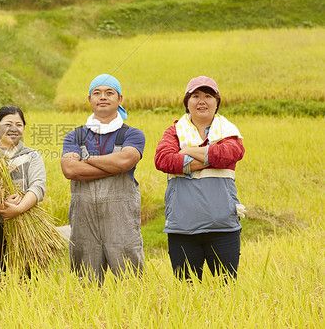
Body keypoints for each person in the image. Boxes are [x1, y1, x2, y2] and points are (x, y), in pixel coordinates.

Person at [154, 76, 245, 282]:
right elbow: (163, 160)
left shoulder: (229, 132)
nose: (202, 101)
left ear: (217, 102)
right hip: (182, 226)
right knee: (186, 293)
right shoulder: (174, 132)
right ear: (187, 102)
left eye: (208, 96)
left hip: (222, 226)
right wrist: (210, 157)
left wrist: (187, 151)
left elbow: (231, 153)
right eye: (195, 96)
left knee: (227, 290)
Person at [61, 74, 145, 283]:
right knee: (84, 283)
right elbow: (70, 169)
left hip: (121, 219)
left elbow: (125, 161)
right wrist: (113, 165)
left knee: (130, 281)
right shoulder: (75, 136)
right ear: (89, 99)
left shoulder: (132, 134)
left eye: (109, 93)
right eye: (97, 93)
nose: (103, 97)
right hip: (84, 220)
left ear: (120, 98)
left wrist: (87, 159)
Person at [0, 106, 46, 282]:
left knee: (29, 285)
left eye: (19, 124)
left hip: (29, 228)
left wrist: (19, 208)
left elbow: (38, 187)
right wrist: (1, 208)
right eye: (8, 124)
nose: (14, 129)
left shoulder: (32, 156)